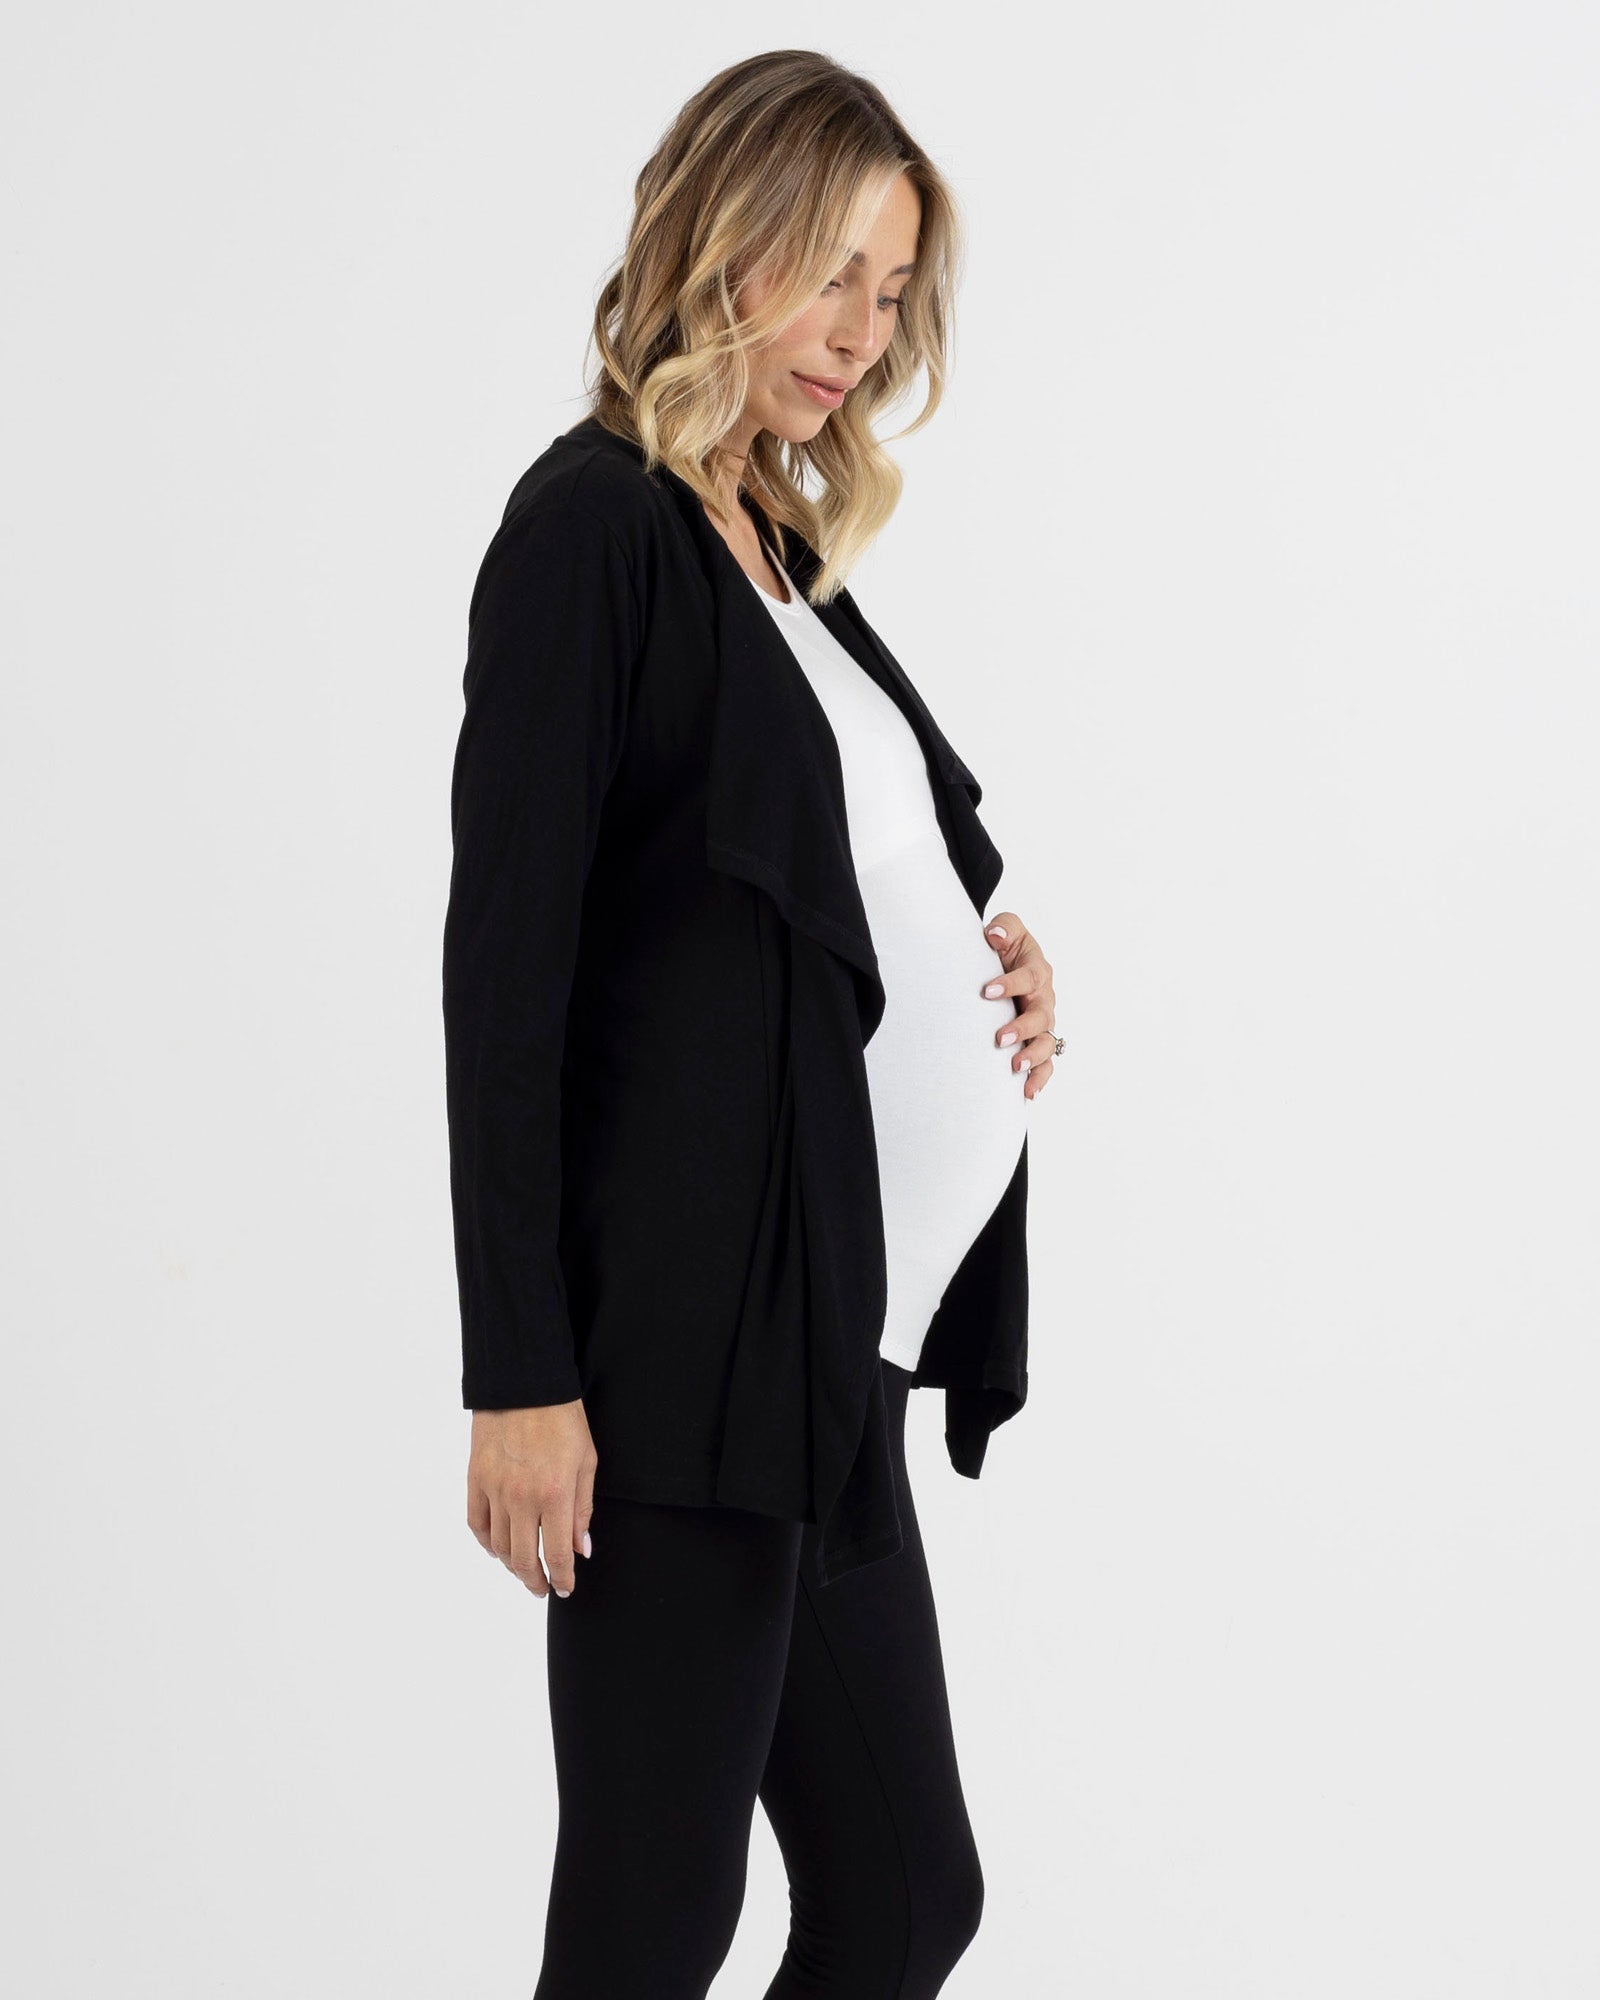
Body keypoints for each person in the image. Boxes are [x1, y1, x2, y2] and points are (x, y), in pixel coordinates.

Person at [441, 50, 1061, 2000]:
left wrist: (988, 960)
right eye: (833, 274)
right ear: (727, 239)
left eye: (894, 291)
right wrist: (518, 1375)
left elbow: (839, 879)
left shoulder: (773, 544)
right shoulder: (593, 530)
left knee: (903, 1901)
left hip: (825, 1364)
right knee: (650, 1930)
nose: (864, 335)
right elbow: (503, 978)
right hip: (681, 1368)